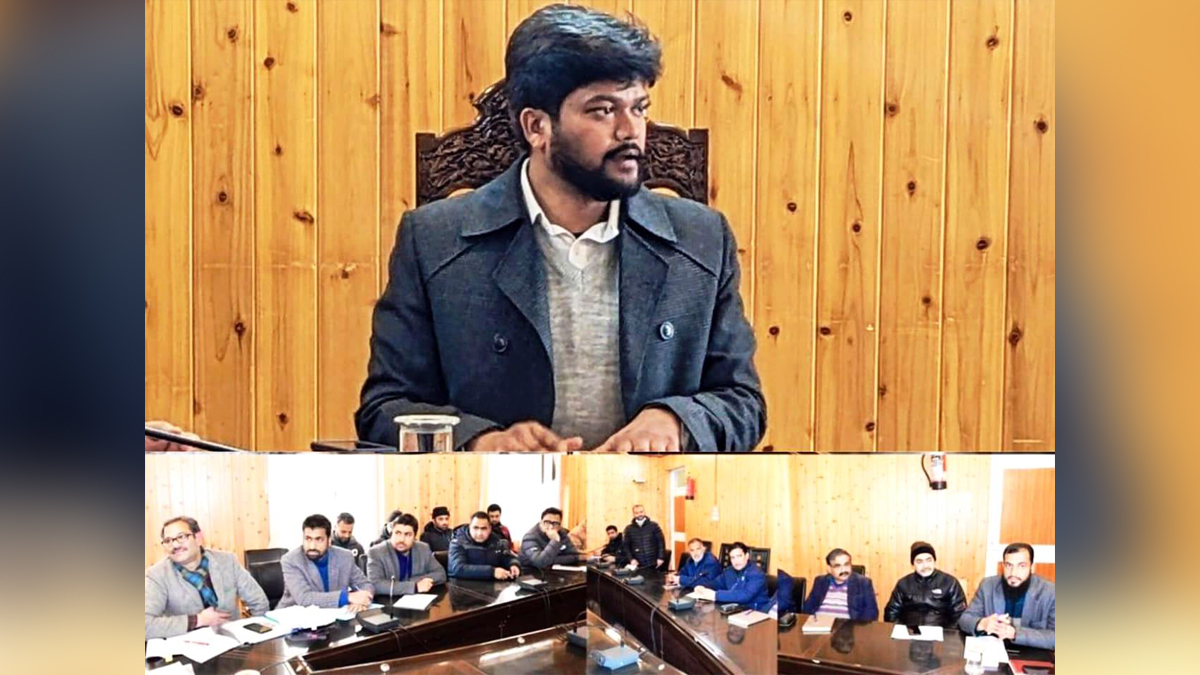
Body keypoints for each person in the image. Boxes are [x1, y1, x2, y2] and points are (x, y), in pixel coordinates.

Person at [354, 3, 765, 452]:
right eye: (603, 111)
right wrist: (480, 441)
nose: (630, 131)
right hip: (497, 494)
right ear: (537, 126)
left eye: (639, 108)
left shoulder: (701, 240)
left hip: (651, 491)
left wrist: (676, 421)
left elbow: (743, 402)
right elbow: (384, 408)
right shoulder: (434, 241)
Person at [145, 516, 268, 639]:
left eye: (181, 537)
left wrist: (255, 637)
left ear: (198, 538)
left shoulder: (227, 561)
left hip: (233, 641)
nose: (175, 545)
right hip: (189, 644)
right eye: (168, 541)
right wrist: (197, 620)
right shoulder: (157, 576)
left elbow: (259, 601)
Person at [958, 543, 1055, 649]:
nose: (1013, 573)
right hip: (993, 650)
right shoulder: (988, 585)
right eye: (1009, 565)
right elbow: (964, 619)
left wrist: (1015, 633)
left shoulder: (1050, 592)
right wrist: (982, 623)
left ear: (1032, 566)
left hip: (1032, 653)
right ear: (1003, 566)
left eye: (1021, 566)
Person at [278, 514, 374, 610]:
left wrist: (362, 601)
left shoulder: (345, 557)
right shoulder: (291, 560)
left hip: (334, 615)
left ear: (329, 541)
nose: (312, 546)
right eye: (308, 539)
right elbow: (305, 599)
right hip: (293, 615)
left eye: (319, 539)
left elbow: (365, 584)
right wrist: (347, 597)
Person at [884, 541, 967, 627]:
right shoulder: (903, 584)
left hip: (941, 633)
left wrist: (947, 633)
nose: (925, 566)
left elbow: (959, 615)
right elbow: (891, 613)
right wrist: (903, 631)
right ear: (913, 564)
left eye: (929, 560)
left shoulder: (950, 582)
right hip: (909, 632)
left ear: (934, 561)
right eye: (919, 561)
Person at [367, 512, 447, 596]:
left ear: (414, 537)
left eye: (407, 535)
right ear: (391, 534)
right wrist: (414, 586)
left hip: (417, 600)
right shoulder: (376, 552)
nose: (401, 539)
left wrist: (412, 581)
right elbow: (375, 584)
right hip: (388, 601)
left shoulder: (423, 548)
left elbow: (440, 574)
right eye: (398, 533)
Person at [802, 548, 879, 621]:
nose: (843, 569)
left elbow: (871, 613)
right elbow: (807, 609)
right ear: (829, 569)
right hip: (818, 625)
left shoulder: (863, 583)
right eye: (837, 566)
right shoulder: (820, 581)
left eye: (846, 564)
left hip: (846, 627)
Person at [690, 542, 770, 611]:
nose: (736, 561)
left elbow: (745, 595)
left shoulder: (756, 574)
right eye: (733, 558)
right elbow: (716, 583)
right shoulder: (729, 571)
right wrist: (703, 586)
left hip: (755, 612)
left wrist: (716, 595)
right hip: (735, 609)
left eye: (739, 556)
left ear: (746, 556)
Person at [449, 511, 523, 580]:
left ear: (490, 529)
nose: (479, 533)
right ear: (469, 527)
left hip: (491, 586)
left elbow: (506, 557)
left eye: (483, 528)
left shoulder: (496, 541)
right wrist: (492, 572)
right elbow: (458, 569)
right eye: (475, 528)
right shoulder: (458, 542)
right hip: (462, 586)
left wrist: (513, 564)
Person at [620, 504, 666, 571]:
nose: (639, 514)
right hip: (638, 564)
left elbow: (661, 542)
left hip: (654, 562)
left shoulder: (654, 525)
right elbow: (626, 546)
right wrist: (631, 559)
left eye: (641, 512)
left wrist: (661, 557)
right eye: (636, 513)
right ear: (633, 514)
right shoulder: (629, 529)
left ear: (644, 512)